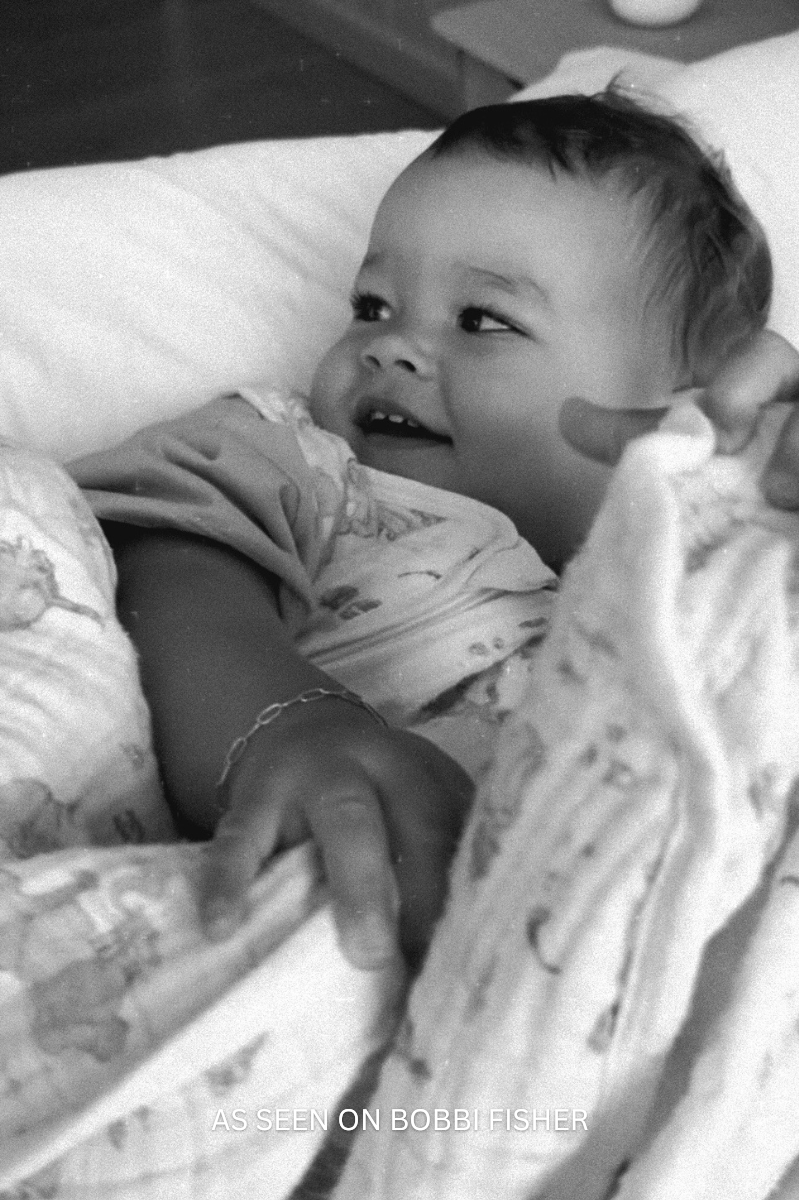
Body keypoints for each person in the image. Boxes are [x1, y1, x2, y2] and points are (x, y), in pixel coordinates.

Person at [69, 89, 794, 973]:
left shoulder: (689, 571)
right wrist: (281, 724)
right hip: (262, 892)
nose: (389, 346)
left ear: (671, 411)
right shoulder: (304, 460)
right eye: (373, 305)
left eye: (481, 321)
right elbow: (169, 561)